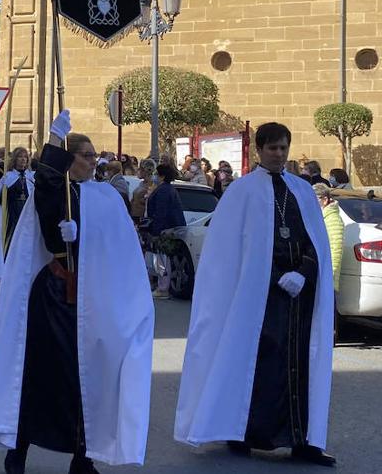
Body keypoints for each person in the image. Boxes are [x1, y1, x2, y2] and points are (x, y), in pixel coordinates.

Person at [0, 111, 153, 473]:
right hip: (54, 295)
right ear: (71, 159)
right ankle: (18, 449)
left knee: (89, 377)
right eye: (86, 155)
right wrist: (53, 143)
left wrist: (83, 236)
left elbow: (118, 248)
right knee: (38, 374)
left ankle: (82, 457)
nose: (93, 161)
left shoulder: (106, 197)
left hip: (93, 297)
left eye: (93, 155)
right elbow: (48, 182)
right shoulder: (55, 191)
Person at [175, 122, 336, 467]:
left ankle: (302, 440)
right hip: (258, 297)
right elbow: (235, 253)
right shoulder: (241, 192)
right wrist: (276, 275)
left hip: (299, 295)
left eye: (283, 148)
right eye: (272, 148)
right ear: (259, 150)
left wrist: (304, 273)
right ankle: (245, 434)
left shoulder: (302, 190)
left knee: (300, 364)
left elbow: (315, 242)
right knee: (260, 363)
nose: (278, 154)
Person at [0, 147, 33, 287]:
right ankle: (5, 271)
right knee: (9, 243)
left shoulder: (30, 178)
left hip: (26, 216)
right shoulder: (7, 178)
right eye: (20, 157)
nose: (23, 159)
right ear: (14, 160)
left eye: (25, 157)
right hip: (11, 216)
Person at [146, 163, 186, 300]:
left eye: (156, 174)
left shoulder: (163, 190)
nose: (154, 176)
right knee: (163, 258)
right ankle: (161, 286)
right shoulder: (168, 189)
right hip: (168, 227)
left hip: (164, 229)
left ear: (161, 176)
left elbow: (161, 212)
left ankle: (163, 288)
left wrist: (156, 232)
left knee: (162, 258)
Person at [312, 184, 343, 306]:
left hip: (327, 278)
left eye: (315, 199)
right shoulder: (322, 217)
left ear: (324, 200)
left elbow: (335, 250)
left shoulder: (333, 219)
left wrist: (330, 277)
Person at [129, 159, 156, 226]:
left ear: (145, 171)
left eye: (140, 169)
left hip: (142, 217)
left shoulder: (152, 184)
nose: (138, 171)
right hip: (134, 215)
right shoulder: (141, 183)